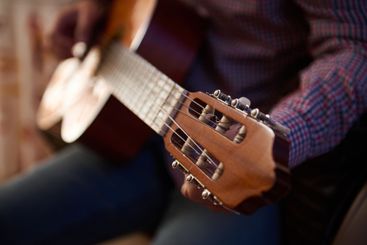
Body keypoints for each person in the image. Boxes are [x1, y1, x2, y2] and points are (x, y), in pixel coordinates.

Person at [0, 0, 366, 244]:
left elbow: (354, 48)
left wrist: (280, 135)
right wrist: (96, 6)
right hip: (134, 135)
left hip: (232, 167)